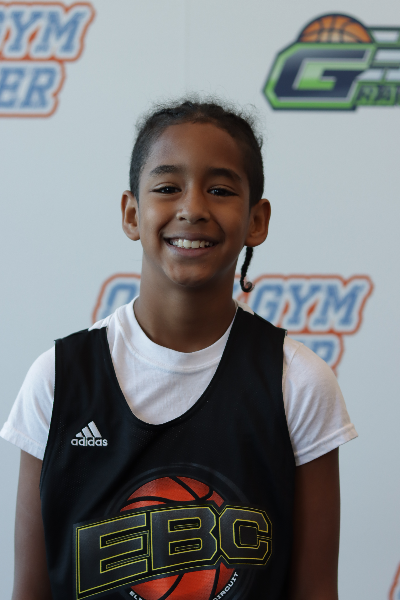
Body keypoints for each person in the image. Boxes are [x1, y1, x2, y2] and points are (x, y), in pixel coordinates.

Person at [1, 98, 357, 600]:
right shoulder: (58, 379)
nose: (192, 208)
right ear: (131, 213)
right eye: (168, 188)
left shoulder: (296, 381)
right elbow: (29, 590)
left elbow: (316, 590)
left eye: (220, 190)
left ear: (257, 220)